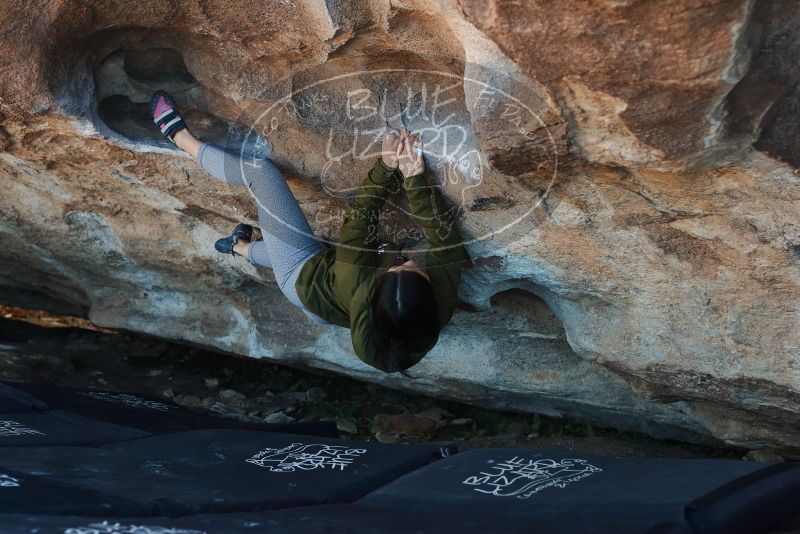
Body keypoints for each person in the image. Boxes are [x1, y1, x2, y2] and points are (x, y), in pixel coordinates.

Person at [151, 90, 469, 373]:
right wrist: (414, 175)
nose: (405, 260)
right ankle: (239, 247)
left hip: (301, 276)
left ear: (375, 291)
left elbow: (361, 217)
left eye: (396, 267)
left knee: (262, 175)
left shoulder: (354, 278)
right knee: (275, 246)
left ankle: (180, 138)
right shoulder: (437, 307)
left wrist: (386, 166)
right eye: (413, 268)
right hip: (326, 307)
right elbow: (445, 239)